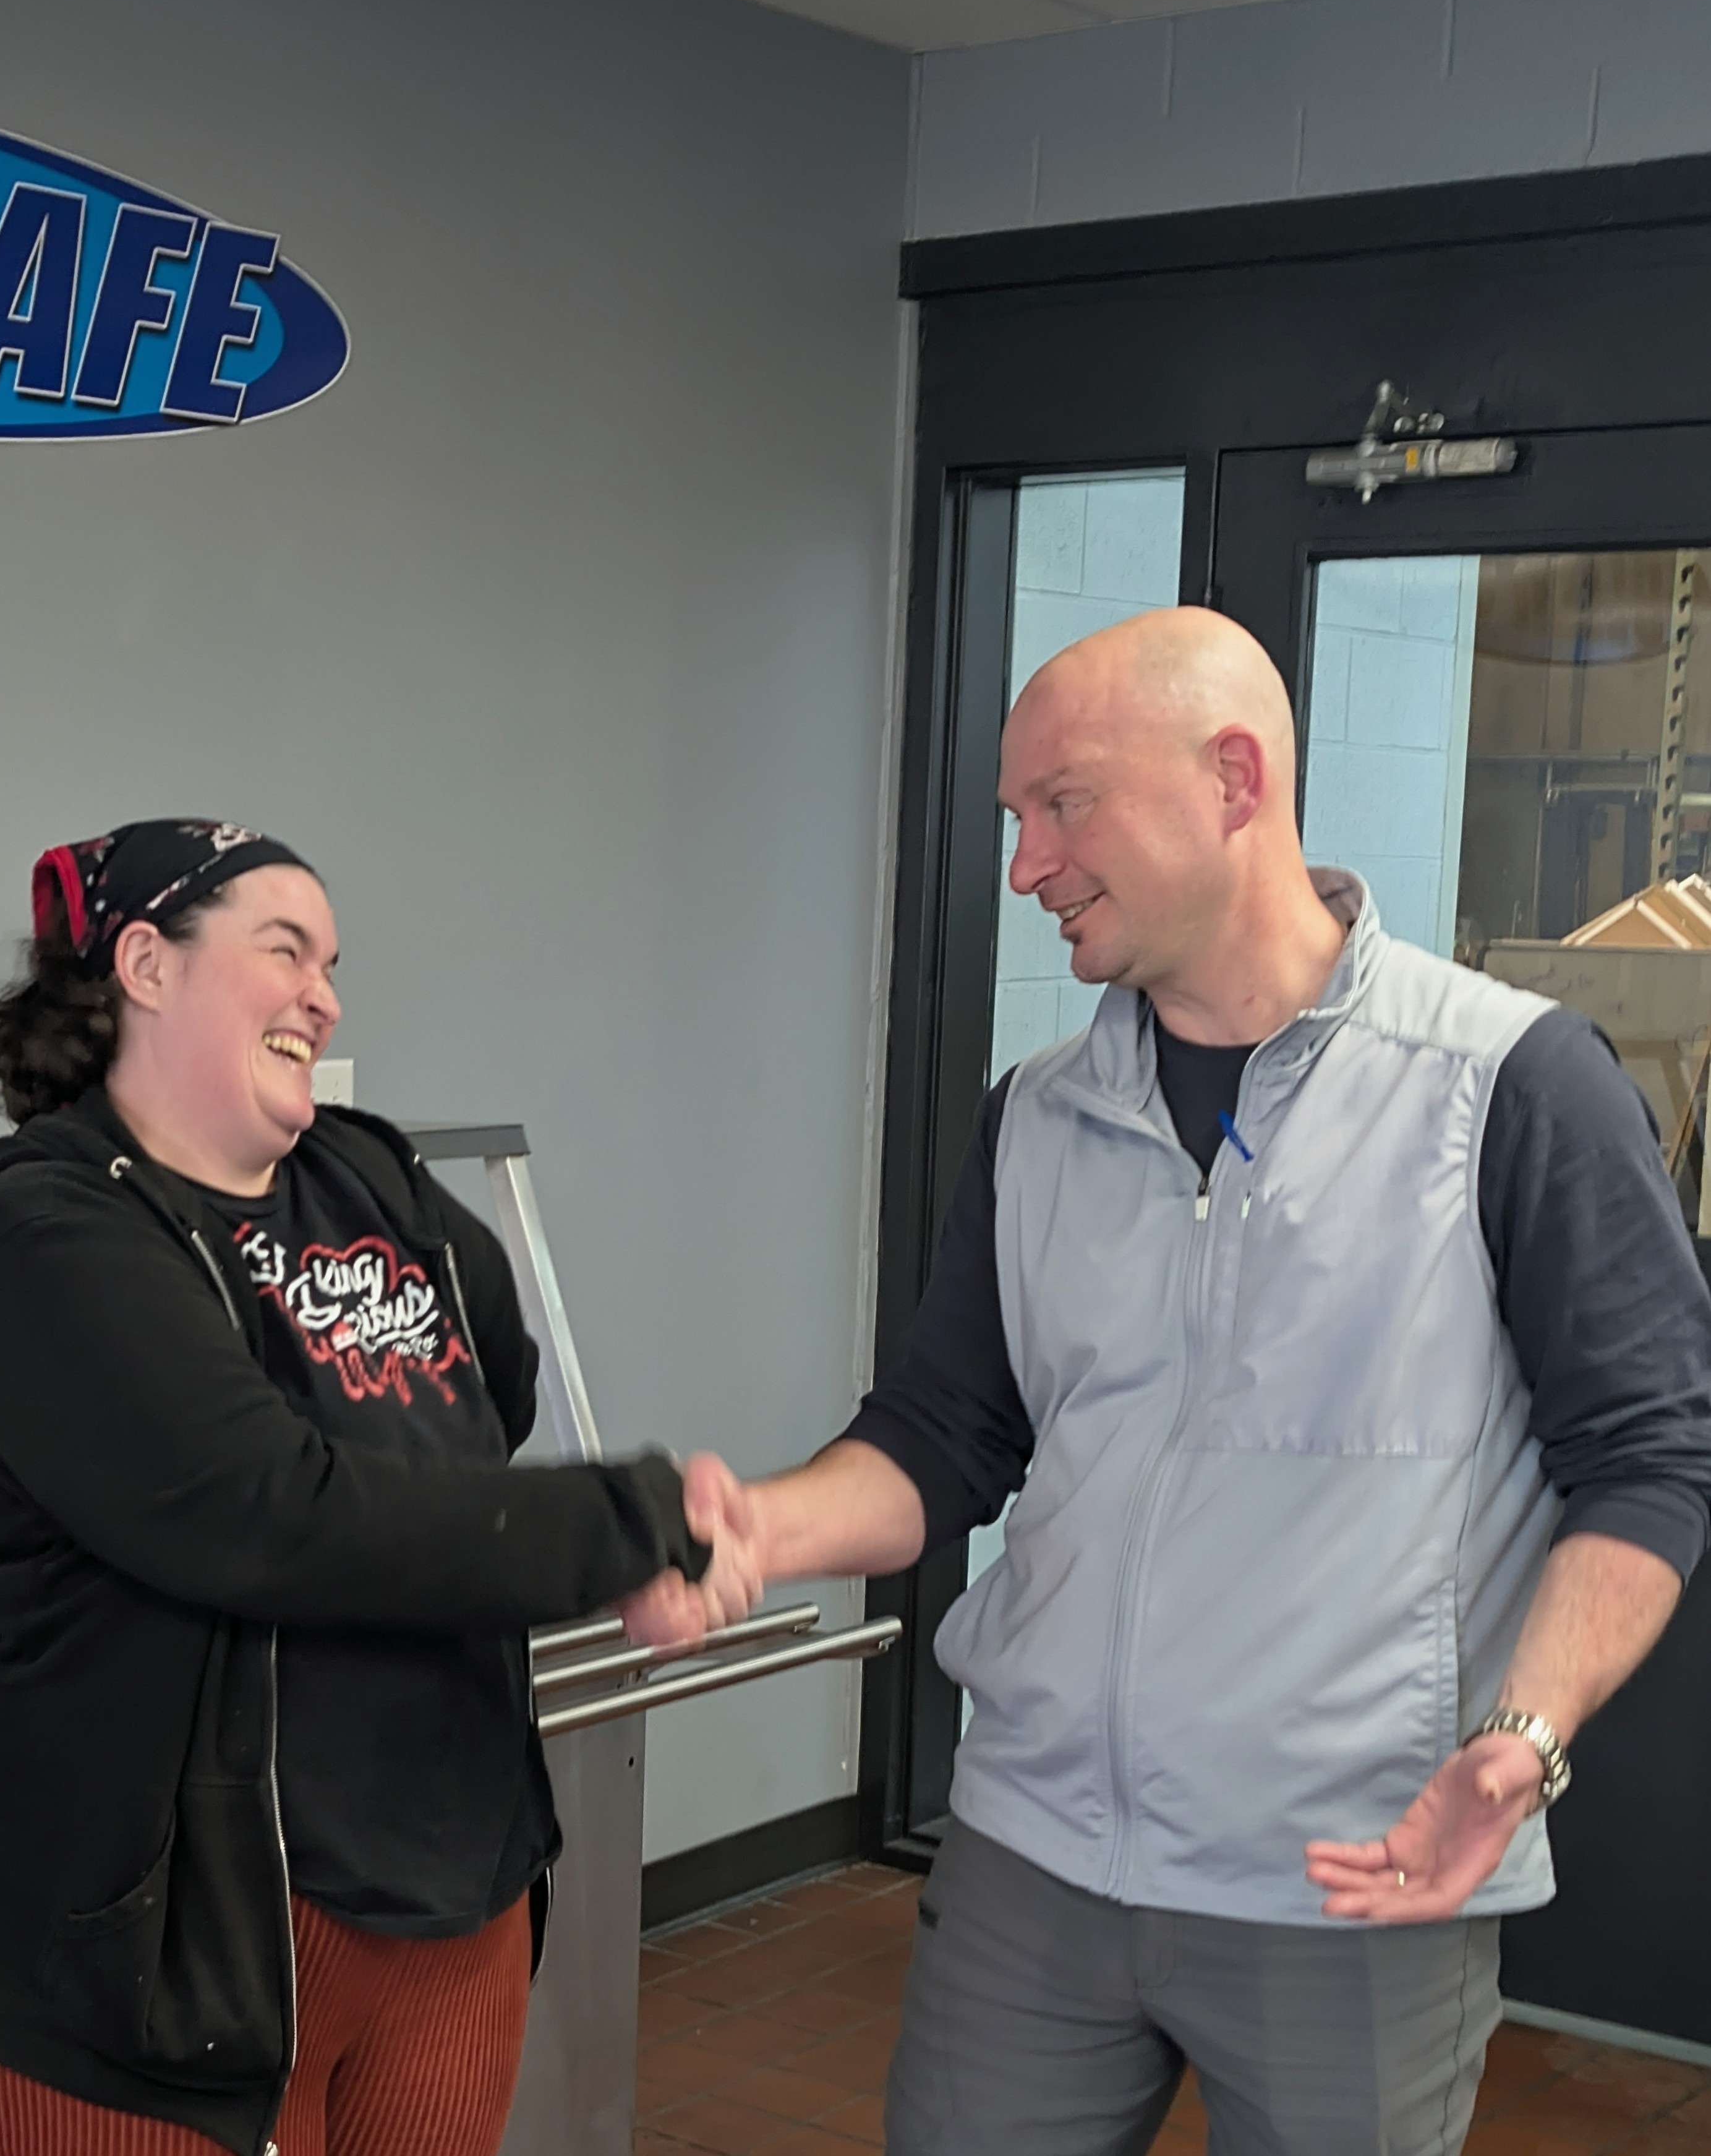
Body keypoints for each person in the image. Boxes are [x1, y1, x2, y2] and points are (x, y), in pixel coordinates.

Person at [646, 609, 1711, 2156]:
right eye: (1018, 819)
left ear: (1233, 777)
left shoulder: (1509, 1087)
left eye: (1062, 804)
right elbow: (947, 1434)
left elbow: (1650, 1458)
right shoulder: (1038, 1115)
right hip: (1034, 1853)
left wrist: (1528, 1735)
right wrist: (763, 1528)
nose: (1026, 865)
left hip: (1355, 1875)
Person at [0, 818, 759, 2156]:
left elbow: (490, 1399)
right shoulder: (56, 1233)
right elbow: (271, 1512)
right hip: (151, 1968)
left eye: (332, 963)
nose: (325, 994)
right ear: (146, 964)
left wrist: (547, 1532)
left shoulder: (371, 1176)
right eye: (283, 949)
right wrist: (633, 1524)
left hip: (447, 1902)